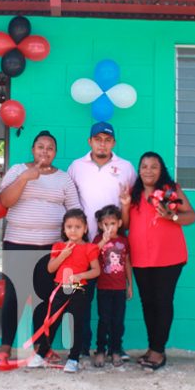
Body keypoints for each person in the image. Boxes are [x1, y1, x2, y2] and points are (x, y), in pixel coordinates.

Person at [0, 130, 82, 365]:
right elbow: (4, 201)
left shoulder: (63, 179)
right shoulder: (18, 170)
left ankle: (42, 348)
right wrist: (25, 178)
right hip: (18, 243)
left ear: (55, 153)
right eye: (40, 147)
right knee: (14, 296)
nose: (45, 151)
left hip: (51, 248)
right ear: (33, 150)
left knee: (45, 298)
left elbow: (74, 210)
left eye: (50, 148)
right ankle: (5, 347)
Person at [120, 152, 195, 370]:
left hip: (169, 256)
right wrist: (125, 205)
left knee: (162, 302)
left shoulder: (171, 191)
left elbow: (191, 216)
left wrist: (170, 216)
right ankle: (152, 347)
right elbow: (125, 225)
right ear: (139, 170)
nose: (148, 171)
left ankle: (158, 351)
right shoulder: (133, 194)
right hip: (141, 257)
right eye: (144, 166)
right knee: (148, 303)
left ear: (161, 169)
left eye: (154, 166)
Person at [67, 121, 136, 358]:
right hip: (85, 243)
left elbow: (131, 205)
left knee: (113, 301)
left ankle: (114, 346)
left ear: (113, 143)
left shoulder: (126, 167)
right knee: (82, 296)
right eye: (98, 139)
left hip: (115, 244)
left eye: (107, 140)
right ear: (90, 141)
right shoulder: (76, 166)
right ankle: (83, 346)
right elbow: (69, 202)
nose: (102, 144)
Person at [27, 209, 100, 373]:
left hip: (78, 287)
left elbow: (96, 271)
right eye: (69, 226)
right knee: (52, 322)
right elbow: (50, 268)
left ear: (85, 228)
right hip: (59, 288)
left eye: (78, 227)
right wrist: (63, 255)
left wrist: (80, 276)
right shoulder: (58, 246)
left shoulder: (90, 248)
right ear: (64, 229)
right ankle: (41, 354)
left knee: (76, 324)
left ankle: (73, 358)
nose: (73, 230)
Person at [92, 204, 132, 368]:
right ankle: (101, 350)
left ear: (120, 223)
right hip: (103, 287)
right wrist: (104, 240)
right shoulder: (98, 240)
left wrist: (130, 285)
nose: (109, 228)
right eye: (106, 224)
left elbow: (127, 262)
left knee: (118, 321)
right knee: (104, 320)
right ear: (101, 225)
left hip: (120, 288)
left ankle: (115, 350)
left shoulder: (124, 241)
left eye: (113, 224)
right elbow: (92, 253)